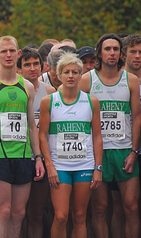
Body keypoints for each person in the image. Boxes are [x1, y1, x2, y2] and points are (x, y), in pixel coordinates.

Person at [0, 36, 45, 238]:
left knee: (19, 213)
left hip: (23, 156)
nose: (8, 55)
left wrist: (38, 157)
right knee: (3, 211)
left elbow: (32, 126)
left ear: (18, 53)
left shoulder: (27, 86)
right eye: (4, 51)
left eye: (12, 51)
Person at [79, 33, 141, 238]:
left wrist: (134, 151)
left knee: (131, 208)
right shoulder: (87, 80)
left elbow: (137, 117)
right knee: (99, 208)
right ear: (99, 52)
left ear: (121, 53)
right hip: (98, 153)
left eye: (116, 49)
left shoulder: (130, 80)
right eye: (107, 49)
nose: (112, 53)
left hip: (124, 150)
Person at [39, 52, 103, 238]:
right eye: (66, 72)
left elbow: (97, 136)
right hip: (59, 166)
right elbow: (42, 135)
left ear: (80, 75)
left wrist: (98, 167)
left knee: (80, 215)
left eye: (75, 72)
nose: (70, 76)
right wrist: (49, 165)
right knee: (60, 216)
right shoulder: (48, 102)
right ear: (59, 76)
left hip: (84, 164)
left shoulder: (91, 102)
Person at [116, 34, 141, 238]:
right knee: (118, 208)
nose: (137, 56)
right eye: (133, 52)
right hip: (120, 149)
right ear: (124, 54)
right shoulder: (114, 81)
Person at [17, 47, 55, 238]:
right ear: (19, 69)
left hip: (44, 157)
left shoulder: (50, 91)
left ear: (42, 66)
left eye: (35, 64)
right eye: (27, 65)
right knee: (18, 213)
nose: (32, 68)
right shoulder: (14, 90)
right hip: (21, 156)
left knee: (37, 214)